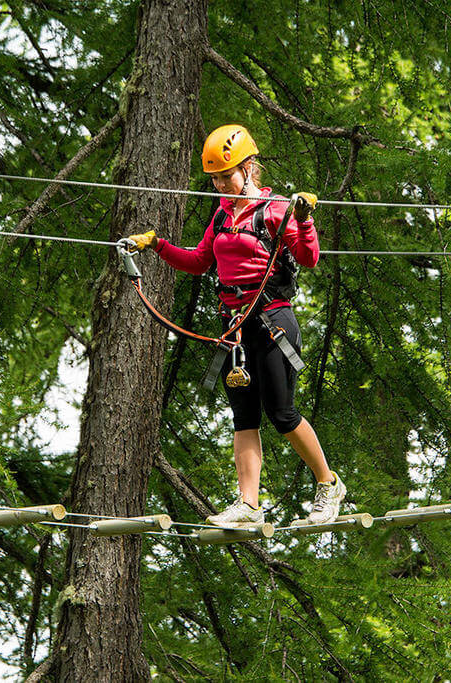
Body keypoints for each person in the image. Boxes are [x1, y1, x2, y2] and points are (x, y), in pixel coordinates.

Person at [125, 124, 345, 528]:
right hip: (235, 330)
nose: (223, 185)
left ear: (249, 168)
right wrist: (156, 246)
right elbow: (198, 261)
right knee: (244, 417)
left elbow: (309, 258)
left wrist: (304, 218)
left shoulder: (276, 208)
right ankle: (248, 504)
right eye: (216, 179)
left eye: (228, 175)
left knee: (282, 414)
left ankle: (328, 485)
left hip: (273, 321)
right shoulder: (222, 215)